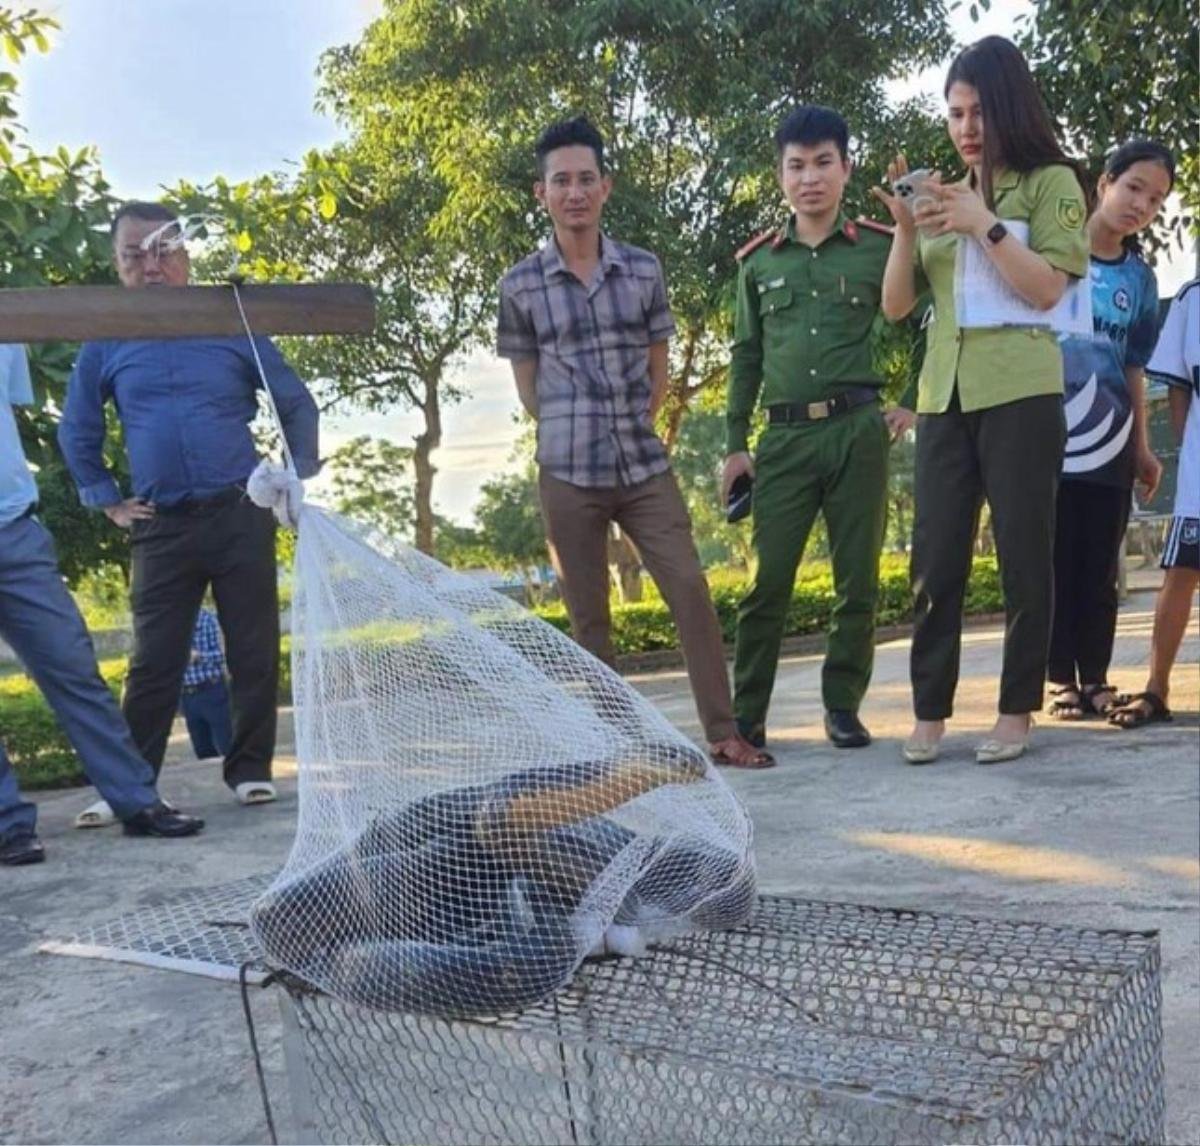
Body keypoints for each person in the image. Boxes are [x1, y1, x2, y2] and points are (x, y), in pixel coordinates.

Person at [496, 116, 771, 769]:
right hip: (566, 471)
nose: (574, 192)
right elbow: (527, 388)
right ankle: (612, 746)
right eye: (560, 181)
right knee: (588, 618)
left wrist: (631, 420)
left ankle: (725, 732)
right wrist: (569, 425)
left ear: (605, 186)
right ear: (542, 193)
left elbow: (658, 369)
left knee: (689, 588)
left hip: (643, 466)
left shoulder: (643, 270)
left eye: (586, 179)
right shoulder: (520, 286)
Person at [58, 202, 320, 807]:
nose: (150, 265)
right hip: (160, 522)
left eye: (163, 250)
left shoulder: (231, 322)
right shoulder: (105, 339)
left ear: (186, 255)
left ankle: (251, 769)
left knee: (253, 648)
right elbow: (77, 429)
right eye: (134, 254)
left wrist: (295, 474)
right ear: (117, 263)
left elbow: (295, 402)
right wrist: (106, 499)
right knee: (154, 661)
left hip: (240, 512)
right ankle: (132, 784)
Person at [875, 36, 1090, 764]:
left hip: (1023, 390)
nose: (966, 127)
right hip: (943, 394)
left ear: (1008, 108)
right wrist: (908, 230)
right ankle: (929, 713)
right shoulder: (938, 194)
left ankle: (1015, 711)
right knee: (935, 562)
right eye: (955, 113)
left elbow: (1048, 288)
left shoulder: (1051, 183)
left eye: (978, 111)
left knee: (1025, 554)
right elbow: (900, 307)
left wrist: (984, 223)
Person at [722, 104, 914, 752]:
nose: (810, 178)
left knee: (856, 581)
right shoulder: (757, 264)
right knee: (766, 584)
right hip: (783, 441)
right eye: (796, 166)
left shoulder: (879, 249)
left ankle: (843, 708)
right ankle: (745, 716)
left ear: (845, 168)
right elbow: (745, 357)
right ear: (779, 175)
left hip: (858, 431)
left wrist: (912, 401)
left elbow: (923, 322)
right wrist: (732, 447)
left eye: (822, 163)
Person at [1, 343, 203, 866]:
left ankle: (138, 803)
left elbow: (14, 405)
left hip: (14, 531)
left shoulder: (9, 328)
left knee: (73, 668)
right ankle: (7, 827)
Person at [1046, 141, 1174, 720]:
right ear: (1105, 183)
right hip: (1045, 432)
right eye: (1134, 188)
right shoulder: (1052, 251)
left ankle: (1095, 677)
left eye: (1155, 199)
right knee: (1052, 559)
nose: (1141, 205)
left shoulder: (1140, 281)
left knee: (1099, 563)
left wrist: (1142, 447)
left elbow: (1134, 366)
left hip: (1109, 439)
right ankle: (1058, 681)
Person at [1107, 278, 1200, 728]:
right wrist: (1191, 449)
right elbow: (1179, 387)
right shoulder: (1191, 299)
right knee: (1180, 575)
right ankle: (1157, 688)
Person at [179, 604, 233, 761]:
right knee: (202, 750)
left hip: (212, 690)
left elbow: (225, 655)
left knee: (226, 744)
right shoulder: (172, 623)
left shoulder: (208, 620)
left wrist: (198, 656)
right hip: (187, 695)